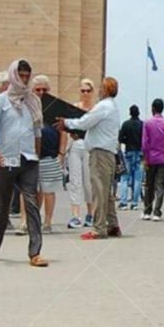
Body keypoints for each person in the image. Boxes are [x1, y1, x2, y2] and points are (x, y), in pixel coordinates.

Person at [0, 60, 48, 266]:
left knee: (31, 204)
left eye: (27, 75)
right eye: (21, 75)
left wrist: (37, 156)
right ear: (13, 75)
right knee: (2, 205)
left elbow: (38, 131)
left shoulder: (33, 101)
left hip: (28, 159)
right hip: (6, 159)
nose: (25, 79)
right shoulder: (1, 101)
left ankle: (35, 253)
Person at [59, 78, 121, 240]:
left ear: (105, 90)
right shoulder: (113, 107)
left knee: (99, 191)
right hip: (108, 153)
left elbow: (85, 122)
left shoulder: (103, 107)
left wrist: (66, 122)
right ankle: (113, 225)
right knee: (106, 192)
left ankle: (99, 228)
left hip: (99, 154)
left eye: (100, 87)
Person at [31, 75, 64, 233]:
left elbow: (63, 131)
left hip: (50, 155)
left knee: (49, 190)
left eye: (45, 89)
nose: (41, 92)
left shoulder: (54, 107)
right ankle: (33, 220)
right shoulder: (27, 106)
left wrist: (61, 153)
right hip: (31, 155)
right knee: (33, 190)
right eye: (38, 90)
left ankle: (48, 221)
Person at [66, 79, 95, 229]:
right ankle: (75, 215)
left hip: (89, 147)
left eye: (88, 91)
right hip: (75, 145)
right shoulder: (74, 108)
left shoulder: (96, 109)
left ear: (92, 92)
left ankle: (91, 213)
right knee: (75, 181)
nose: (85, 94)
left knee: (88, 182)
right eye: (82, 91)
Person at [141, 99, 164, 221]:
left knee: (149, 185)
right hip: (163, 159)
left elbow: (145, 143)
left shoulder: (147, 123)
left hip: (150, 158)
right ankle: (157, 212)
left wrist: (144, 157)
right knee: (160, 185)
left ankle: (147, 211)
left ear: (153, 108)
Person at [118, 104, 144, 209]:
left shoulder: (125, 124)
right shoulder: (142, 125)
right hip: (139, 153)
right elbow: (145, 140)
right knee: (137, 179)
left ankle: (123, 202)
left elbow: (119, 139)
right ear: (138, 113)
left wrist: (119, 151)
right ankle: (135, 203)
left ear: (130, 113)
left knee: (124, 178)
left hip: (128, 152)